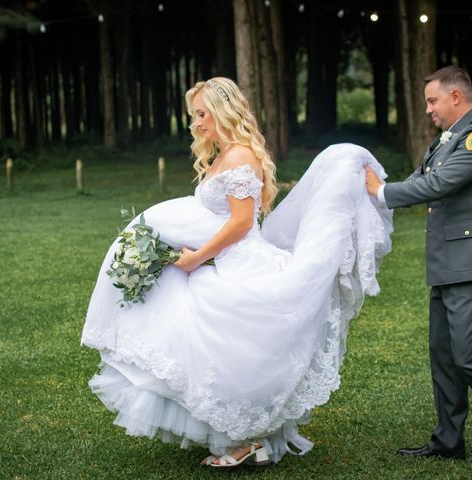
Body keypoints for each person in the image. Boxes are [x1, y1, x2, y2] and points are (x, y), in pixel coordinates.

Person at [82, 77, 392, 467]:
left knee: (222, 343)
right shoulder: (225, 155)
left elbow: (242, 222)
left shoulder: (239, 156)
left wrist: (197, 258)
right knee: (203, 342)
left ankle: (247, 440)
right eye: (193, 115)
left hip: (240, 259)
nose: (195, 123)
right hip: (225, 256)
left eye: (201, 114)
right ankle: (246, 438)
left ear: (222, 111)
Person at [365, 66, 472, 476]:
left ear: (456, 97)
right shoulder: (446, 141)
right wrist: (369, 190)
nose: (428, 110)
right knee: (444, 357)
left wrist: (380, 192)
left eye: (432, 101)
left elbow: (438, 185)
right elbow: (420, 177)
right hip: (447, 266)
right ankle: (448, 440)